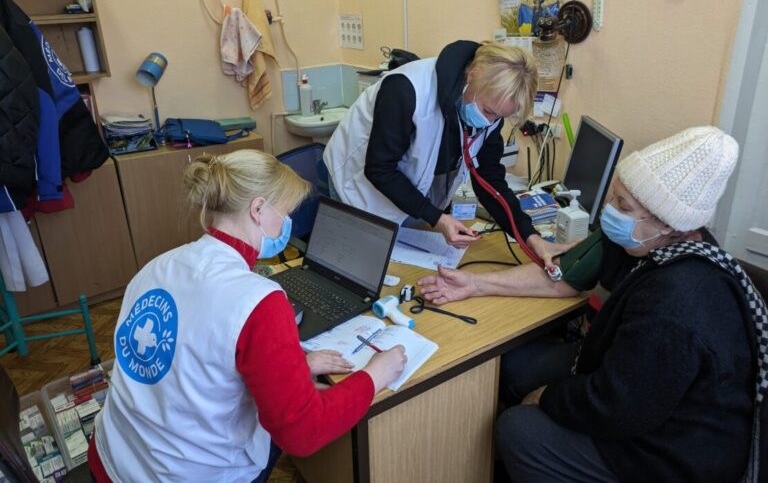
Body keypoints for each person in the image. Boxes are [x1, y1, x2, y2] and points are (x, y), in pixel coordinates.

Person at [419, 127, 768, 483]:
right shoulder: (639, 239)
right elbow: (562, 278)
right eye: (614, 196)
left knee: (519, 430)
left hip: (671, 453)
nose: (608, 210)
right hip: (627, 381)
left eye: (623, 205)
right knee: (513, 368)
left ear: (669, 225)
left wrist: (549, 397)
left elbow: (618, 407)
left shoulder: (678, 303)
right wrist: (475, 284)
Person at [88, 150, 407, 483]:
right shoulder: (258, 301)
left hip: (112, 454)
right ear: (258, 209)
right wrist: (375, 375)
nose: (288, 224)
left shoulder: (157, 266)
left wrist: (295, 368)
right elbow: (303, 433)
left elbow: (189, 354)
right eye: (285, 213)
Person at [324, 40, 572, 266]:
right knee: (359, 271)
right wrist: (436, 218)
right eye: (487, 110)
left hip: (407, 199)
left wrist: (531, 237)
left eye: (499, 116)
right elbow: (379, 169)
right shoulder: (406, 89)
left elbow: (490, 182)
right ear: (472, 75)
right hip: (356, 192)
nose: (490, 122)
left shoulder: (489, 112)